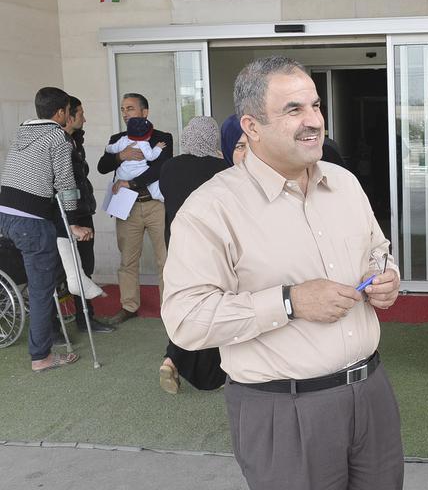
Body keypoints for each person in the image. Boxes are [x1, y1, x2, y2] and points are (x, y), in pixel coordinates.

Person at [161, 56, 404, 490]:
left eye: (315, 106)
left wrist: (386, 276)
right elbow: (185, 320)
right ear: (251, 126)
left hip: (371, 393)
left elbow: (379, 251)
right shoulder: (211, 208)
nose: (314, 121)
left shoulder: (344, 183)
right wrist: (290, 302)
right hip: (284, 409)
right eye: (294, 110)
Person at [0, 87, 92, 371]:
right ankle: (41, 357)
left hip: (5, 214)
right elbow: (66, 186)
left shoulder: (22, 132)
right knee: (41, 289)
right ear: (61, 113)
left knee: (36, 282)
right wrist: (75, 222)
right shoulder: (58, 137)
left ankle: (43, 344)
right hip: (31, 221)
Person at [157, 116, 229, 394]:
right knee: (211, 308)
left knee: (187, 306)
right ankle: (207, 373)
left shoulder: (170, 167)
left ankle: (171, 359)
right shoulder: (222, 169)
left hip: (177, 245)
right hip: (212, 249)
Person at [98, 93, 173, 325]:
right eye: (122, 109)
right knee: (128, 260)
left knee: (166, 259)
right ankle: (129, 306)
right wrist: (122, 155)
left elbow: (160, 169)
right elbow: (102, 166)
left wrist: (130, 182)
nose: (125, 113)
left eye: (130, 108)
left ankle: (169, 308)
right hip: (127, 206)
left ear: (145, 112)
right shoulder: (118, 139)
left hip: (155, 205)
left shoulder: (162, 138)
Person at [54, 95, 113, 334]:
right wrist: (68, 221)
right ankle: (55, 327)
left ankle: (85, 318)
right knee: (61, 270)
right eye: (81, 114)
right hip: (66, 215)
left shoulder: (76, 140)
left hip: (83, 211)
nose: (85, 119)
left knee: (86, 265)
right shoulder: (57, 144)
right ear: (69, 116)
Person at [104, 117, 167, 201]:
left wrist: (107, 148)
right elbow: (150, 156)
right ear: (147, 136)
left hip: (124, 172)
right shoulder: (144, 143)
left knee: (117, 183)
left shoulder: (123, 140)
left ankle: (117, 202)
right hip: (139, 172)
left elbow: (113, 148)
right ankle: (161, 196)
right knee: (155, 183)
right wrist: (157, 148)